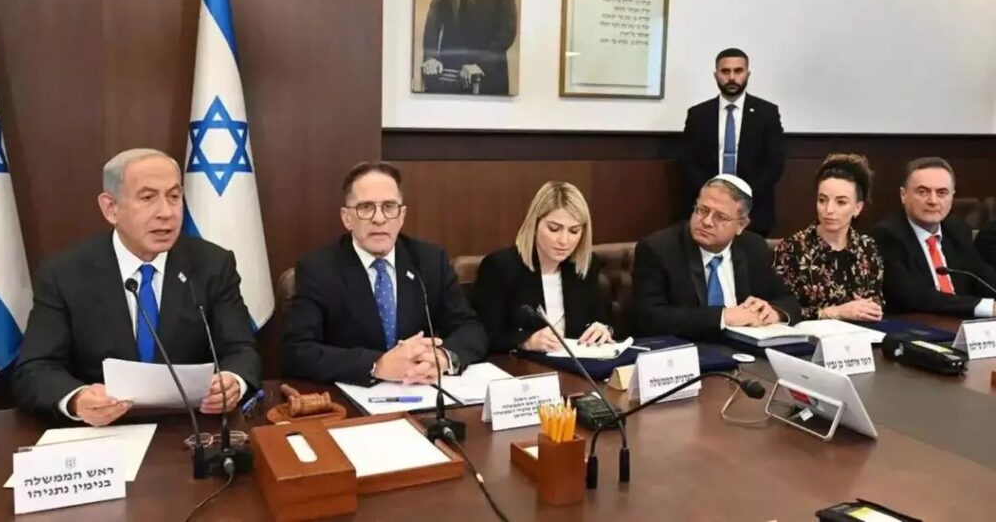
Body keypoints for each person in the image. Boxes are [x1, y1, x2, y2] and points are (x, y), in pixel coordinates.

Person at [12, 149, 260, 425]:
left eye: (174, 196)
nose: (166, 213)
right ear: (111, 208)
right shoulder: (65, 274)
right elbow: (35, 369)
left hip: (190, 427)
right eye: (147, 198)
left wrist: (232, 381)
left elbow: (241, 350)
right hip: (102, 430)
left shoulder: (212, 265)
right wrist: (77, 399)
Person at [282, 161, 488, 385]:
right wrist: (376, 365)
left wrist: (442, 357)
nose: (379, 218)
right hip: (351, 396)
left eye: (389, 207)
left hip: (419, 389)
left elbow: (470, 329)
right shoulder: (318, 269)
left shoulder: (429, 261)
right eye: (366, 207)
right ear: (347, 218)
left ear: (401, 216)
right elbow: (297, 351)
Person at [632, 174, 801, 340]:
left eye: (720, 217)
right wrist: (723, 317)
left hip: (745, 349)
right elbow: (650, 318)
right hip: (687, 350)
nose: (707, 221)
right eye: (702, 210)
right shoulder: (659, 249)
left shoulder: (753, 247)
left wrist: (774, 313)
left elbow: (789, 301)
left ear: (741, 225)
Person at [473, 182, 611, 353]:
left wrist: (603, 330)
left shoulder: (585, 266)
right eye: (554, 229)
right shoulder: (500, 267)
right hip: (522, 366)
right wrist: (525, 342)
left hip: (577, 365)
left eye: (574, 231)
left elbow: (602, 321)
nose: (564, 240)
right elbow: (482, 336)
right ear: (534, 225)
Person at [679, 48, 784, 237]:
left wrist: (743, 197)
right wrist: (712, 195)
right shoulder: (698, 114)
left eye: (738, 71)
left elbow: (774, 163)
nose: (732, 77)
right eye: (725, 71)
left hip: (753, 211)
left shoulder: (767, 113)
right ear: (716, 75)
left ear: (748, 74)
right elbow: (688, 161)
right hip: (707, 211)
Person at [873, 157, 996, 317]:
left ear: (952, 196)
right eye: (922, 192)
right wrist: (988, 307)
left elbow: (983, 278)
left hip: (962, 323)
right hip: (919, 324)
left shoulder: (957, 230)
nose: (933, 201)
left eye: (942, 193)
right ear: (903, 195)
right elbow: (912, 296)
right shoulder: (887, 235)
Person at [773, 154, 884, 322]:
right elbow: (780, 311)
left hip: (861, 332)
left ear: (857, 208)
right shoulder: (793, 248)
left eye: (841, 202)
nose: (829, 210)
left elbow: (877, 300)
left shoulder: (868, 247)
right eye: (822, 200)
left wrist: (871, 309)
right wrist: (835, 312)